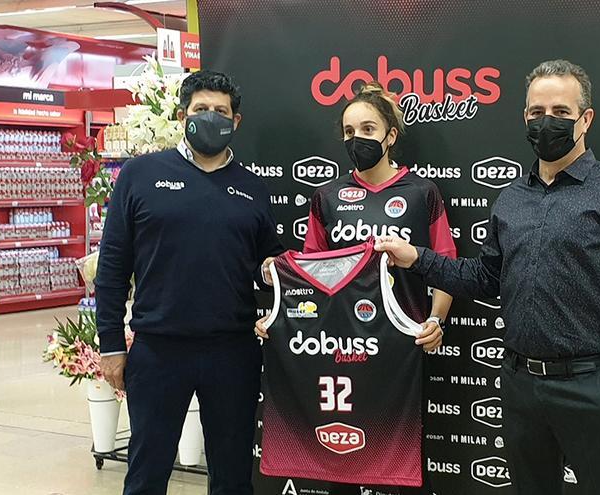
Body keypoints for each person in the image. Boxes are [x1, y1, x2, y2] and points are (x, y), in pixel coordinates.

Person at [373, 60, 600, 495]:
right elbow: (485, 277)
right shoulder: (510, 200)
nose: (547, 122)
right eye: (536, 112)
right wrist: (417, 258)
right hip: (520, 383)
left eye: (561, 112)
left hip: (590, 385)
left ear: (586, 119)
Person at [255, 82, 457, 493]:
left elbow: (446, 265)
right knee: (340, 464)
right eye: (349, 132)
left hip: (402, 348)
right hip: (337, 349)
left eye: (367, 129)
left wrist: (436, 319)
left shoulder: (423, 193)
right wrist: (278, 316)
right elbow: (308, 275)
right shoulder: (326, 196)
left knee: (400, 465)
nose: (357, 139)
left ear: (390, 135)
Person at [95, 70, 283, 495]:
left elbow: (264, 261)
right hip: (158, 351)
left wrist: (276, 269)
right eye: (202, 109)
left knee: (233, 477)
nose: (211, 117)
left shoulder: (253, 188)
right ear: (183, 115)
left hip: (233, 352)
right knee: (146, 475)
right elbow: (111, 269)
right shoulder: (140, 175)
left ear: (236, 122)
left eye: (221, 111)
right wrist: (110, 344)